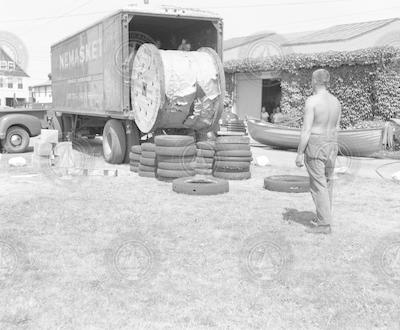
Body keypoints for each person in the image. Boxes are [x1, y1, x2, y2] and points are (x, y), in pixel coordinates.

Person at [295, 69, 342, 234]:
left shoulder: (312, 101)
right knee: (328, 182)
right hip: (332, 143)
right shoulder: (336, 102)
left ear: (314, 81)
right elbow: (337, 128)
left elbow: (306, 130)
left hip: (316, 141)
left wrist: (300, 153)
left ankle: (323, 225)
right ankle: (325, 218)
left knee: (318, 184)